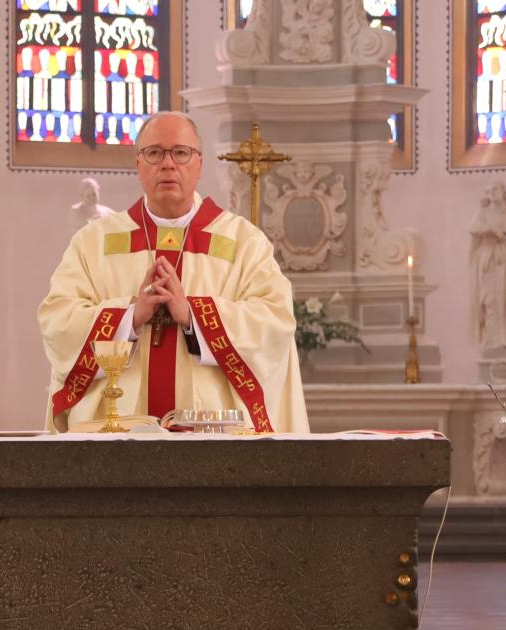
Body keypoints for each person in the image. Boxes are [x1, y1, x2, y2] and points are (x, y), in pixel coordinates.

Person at [38, 111, 306, 433]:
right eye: (154, 153)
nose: (168, 164)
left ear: (199, 164)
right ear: (138, 164)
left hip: (213, 434)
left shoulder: (244, 242)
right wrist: (130, 316)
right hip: (116, 433)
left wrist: (194, 315)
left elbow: (274, 320)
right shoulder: (94, 242)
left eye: (181, 152)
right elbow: (57, 319)